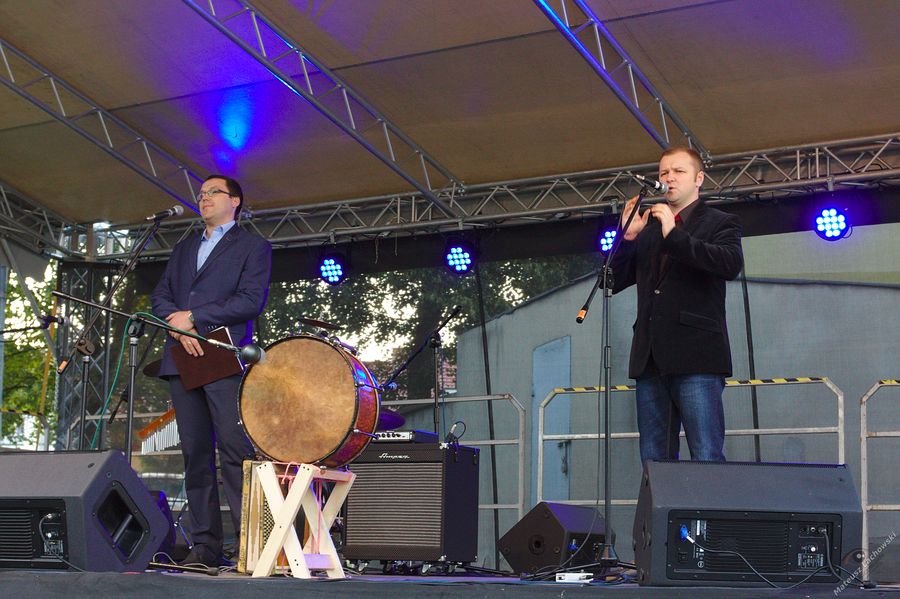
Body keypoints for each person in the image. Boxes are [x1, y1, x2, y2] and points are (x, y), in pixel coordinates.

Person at [151, 174, 272, 567]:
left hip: (222, 355)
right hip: (181, 356)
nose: (203, 198)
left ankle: (251, 546)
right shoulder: (184, 246)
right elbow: (160, 296)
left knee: (236, 452)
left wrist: (195, 318)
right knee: (195, 454)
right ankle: (205, 547)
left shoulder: (252, 246)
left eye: (213, 192)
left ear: (235, 201)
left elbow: (250, 300)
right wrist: (177, 327)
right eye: (200, 194)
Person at [611, 147, 743, 464]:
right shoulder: (649, 229)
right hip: (651, 359)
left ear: (699, 178)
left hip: (697, 356)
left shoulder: (720, 222)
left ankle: (708, 502)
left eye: (679, 171)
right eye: (663, 173)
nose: (669, 178)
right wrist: (627, 239)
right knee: (654, 460)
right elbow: (610, 281)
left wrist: (673, 233)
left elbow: (728, 264)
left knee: (706, 454)